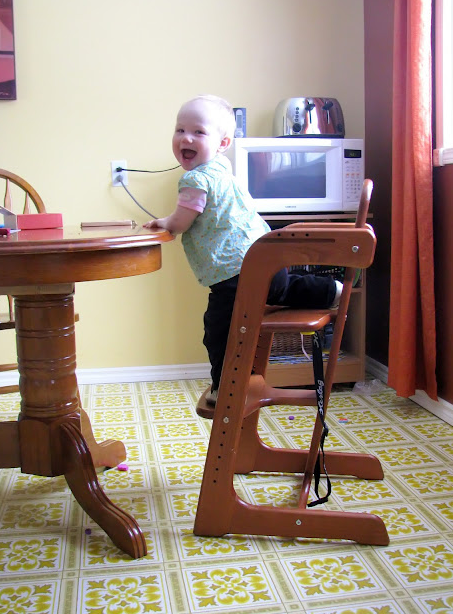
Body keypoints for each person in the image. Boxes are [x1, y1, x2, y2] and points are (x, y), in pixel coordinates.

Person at [145, 95, 340, 403]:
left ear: (222, 143)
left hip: (234, 271)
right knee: (281, 289)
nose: (186, 138)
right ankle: (331, 290)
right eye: (180, 130)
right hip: (267, 258)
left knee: (219, 329)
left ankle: (225, 387)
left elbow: (181, 221)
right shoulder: (222, 168)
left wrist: (164, 222)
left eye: (198, 132)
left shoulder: (194, 179)